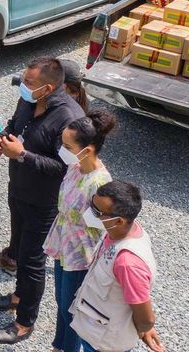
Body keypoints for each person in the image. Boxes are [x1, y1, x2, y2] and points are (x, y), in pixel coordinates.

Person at [0, 56, 85, 345]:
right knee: (18, 247)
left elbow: (64, 168)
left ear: (49, 88)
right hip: (19, 189)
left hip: (44, 202)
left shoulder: (69, 118)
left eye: (29, 83)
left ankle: (24, 321)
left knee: (32, 261)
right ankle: (19, 296)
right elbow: (14, 126)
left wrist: (21, 155)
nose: (22, 85)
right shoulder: (29, 99)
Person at [44, 110, 115, 352]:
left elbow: (105, 223)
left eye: (67, 146)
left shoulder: (100, 183)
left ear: (88, 149)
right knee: (61, 301)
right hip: (64, 243)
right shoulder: (75, 167)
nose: (62, 150)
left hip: (81, 252)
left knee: (72, 310)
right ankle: (59, 345)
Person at [71, 181, 165, 352]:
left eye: (97, 212)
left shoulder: (128, 263)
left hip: (104, 343)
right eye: (92, 204)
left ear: (119, 221)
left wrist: (143, 329)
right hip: (94, 329)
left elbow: (146, 319)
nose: (91, 213)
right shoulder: (121, 231)